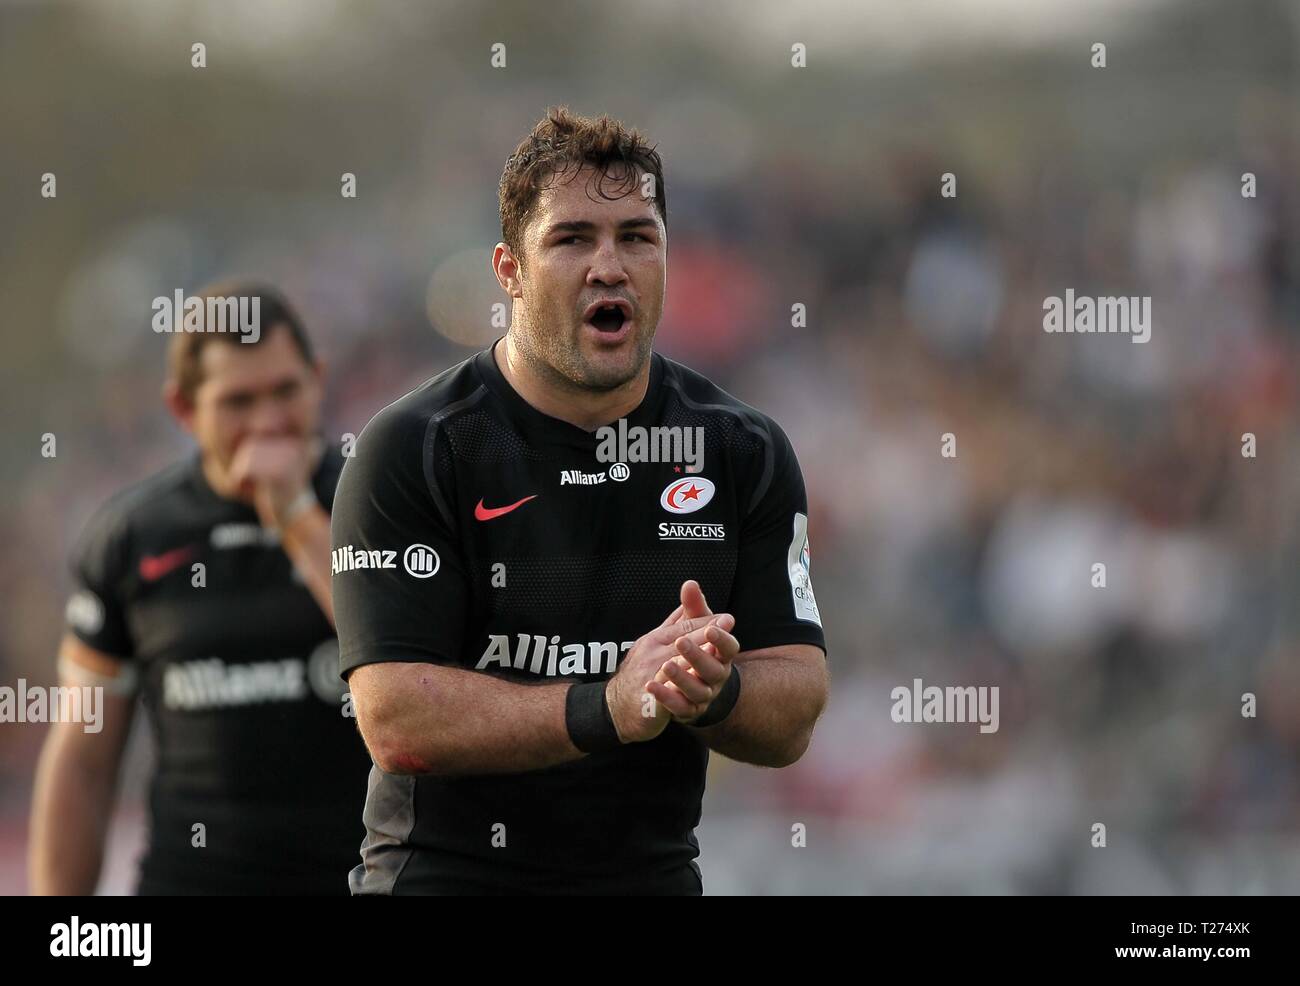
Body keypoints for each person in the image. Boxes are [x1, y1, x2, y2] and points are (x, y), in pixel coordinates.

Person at [333, 107, 830, 895]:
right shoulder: (415, 447)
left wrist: (712, 689)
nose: (610, 265)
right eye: (572, 239)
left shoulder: (742, 449)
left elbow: (796, 707)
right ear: (510, 270)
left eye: (637, 236)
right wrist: (610, 704)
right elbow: (394, 718)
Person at [29, 281, 372, 895]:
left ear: (318, 379)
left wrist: (294, 512)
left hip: (359, 881)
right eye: (238, 401)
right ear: (184, 411)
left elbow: (396, 651)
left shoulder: (378, 503)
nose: (269, 421)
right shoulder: (132, 536)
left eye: (286, 391)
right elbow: (82, 762)